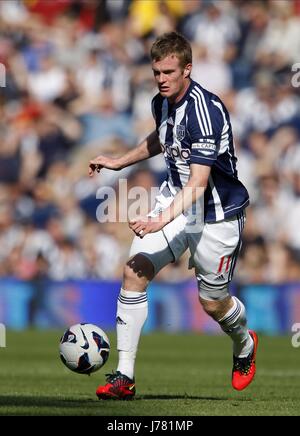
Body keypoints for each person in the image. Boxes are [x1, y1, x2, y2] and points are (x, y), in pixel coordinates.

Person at [89, 32, 258, 400]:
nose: (162, 79)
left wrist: (158, 220)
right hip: (176, 201)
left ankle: (244, 343)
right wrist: (118, 162)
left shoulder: (206, 110)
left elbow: (198, 184)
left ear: (188, 69)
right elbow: (161, 139)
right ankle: (124, 377)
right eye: (156, 72)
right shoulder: (161, 102)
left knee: (212, 303)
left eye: (169, 72)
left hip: (216, 215)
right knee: (134, 271)